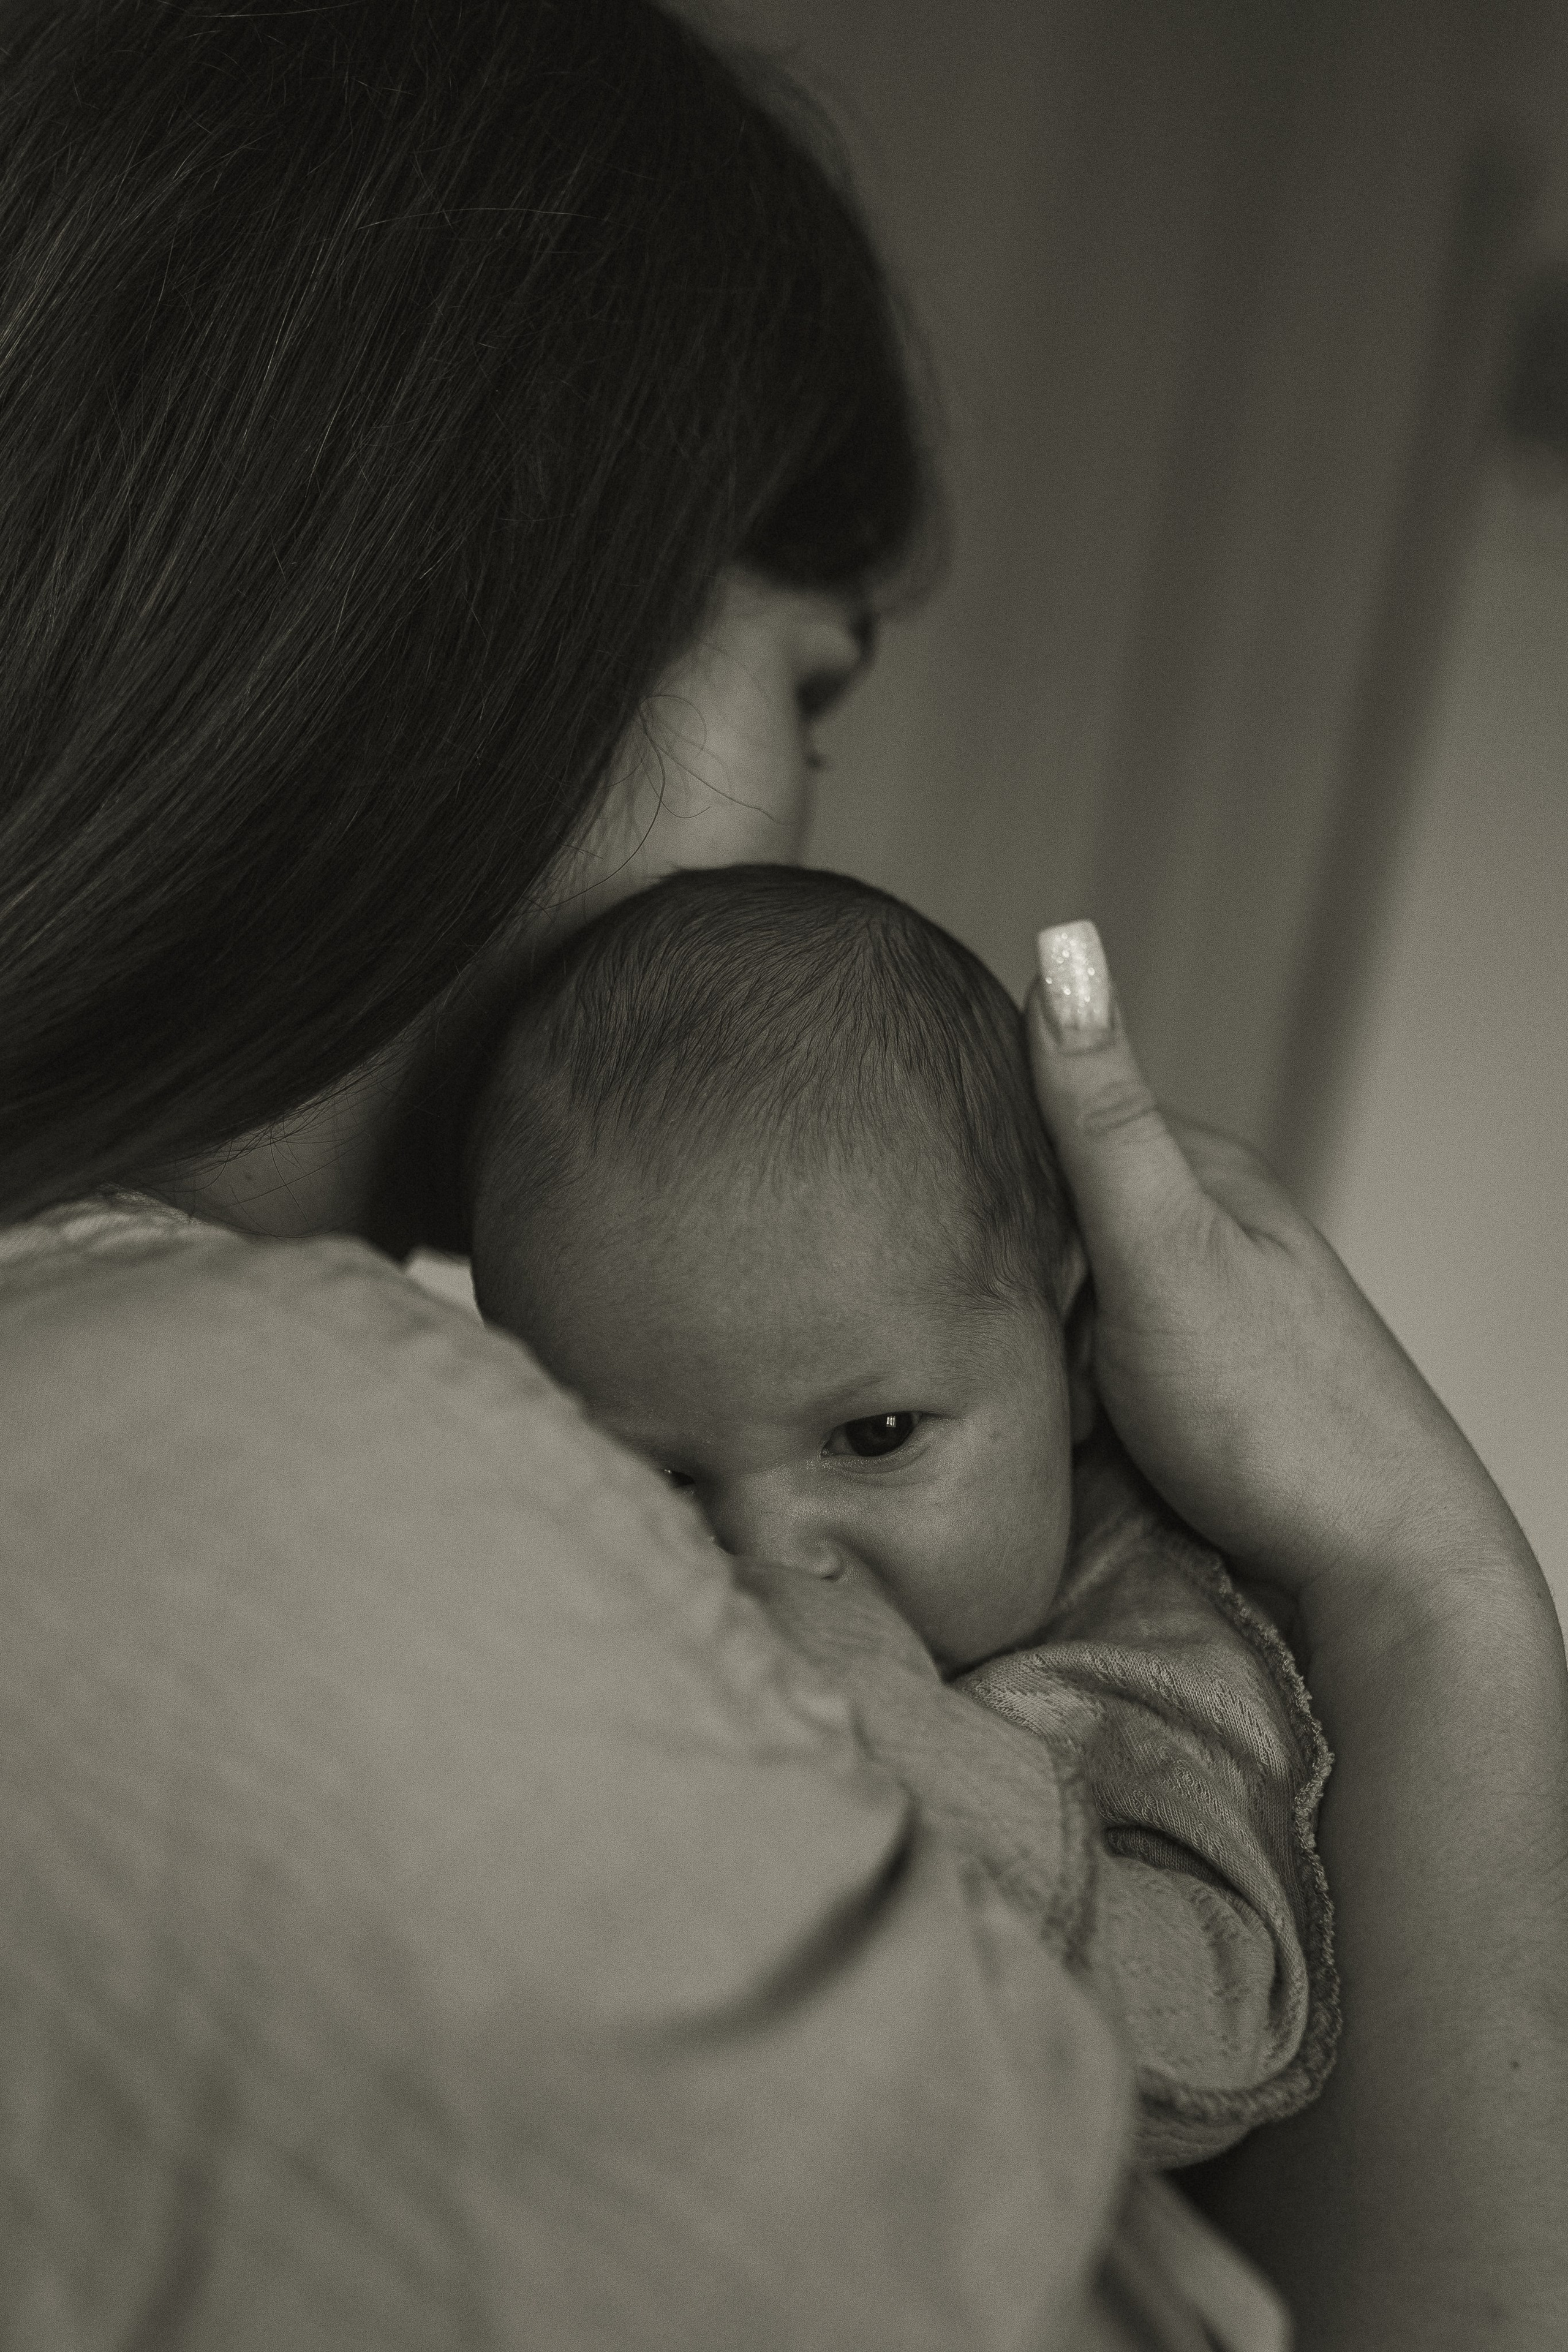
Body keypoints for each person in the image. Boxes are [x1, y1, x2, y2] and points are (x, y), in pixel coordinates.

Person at [0, 2, 1562, 2348]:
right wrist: (1440, 1608)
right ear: (510, 602)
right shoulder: (341, 1520)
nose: (811, 816)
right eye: (808, 694)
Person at [460, 859, 1339, 2173]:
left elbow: (1230, 2036)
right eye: (655, 1478)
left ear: (1076, 1351)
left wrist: (903, 1739)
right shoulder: (570, 1614)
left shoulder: (1148, 1663)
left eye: (873, 1440)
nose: (770, 1555)